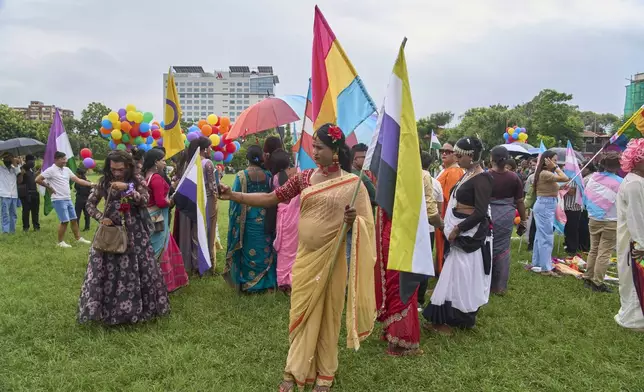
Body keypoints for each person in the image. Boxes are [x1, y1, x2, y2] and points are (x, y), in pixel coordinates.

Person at [219, 123, 376, 392]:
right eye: (313, 146)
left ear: (335, 150)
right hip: (304, 259)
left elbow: (366, 223)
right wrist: (234, 195)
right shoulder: (304, 179)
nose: (314, 151)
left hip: (331, 261)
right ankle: (295, 370)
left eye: (320, 147)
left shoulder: (352, 184)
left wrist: (353, 220)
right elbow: (271, 197)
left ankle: (324, 375)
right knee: (300, 314)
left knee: (327, 316)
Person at [78, 150, 170, 325]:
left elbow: (144, 200)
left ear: (128, 166)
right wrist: (100, 218)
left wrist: (128, 189)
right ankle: (107, 310)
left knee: (139, 269)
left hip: (135, 232)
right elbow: (89, 204)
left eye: (120, 169)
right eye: (113, 169)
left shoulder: (138, 180)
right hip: (111, 232)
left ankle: (139, 309)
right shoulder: (104, 182)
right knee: (108, 271)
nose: (117, 173)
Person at [375, 150, 443, 356]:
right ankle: (401, 341)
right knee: (406, 284)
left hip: (388, 232)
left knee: (393, 283)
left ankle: (391, 331)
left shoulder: (389, 173)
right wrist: (443, 227)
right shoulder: (420, 175)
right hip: (408, 233)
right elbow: (431, 212)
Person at [422, 137, 493, 335]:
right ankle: (449, 317)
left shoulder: (482, 178)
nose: (457, 158)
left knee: (460, 276)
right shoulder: (467, 174)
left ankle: (452, 319)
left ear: (471, 157)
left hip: (467, 236)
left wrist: (458, 229)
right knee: (454, 275)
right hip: (458, 231)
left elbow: (480, 212)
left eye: (460, 155)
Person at [223, 145, 277, 293]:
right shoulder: (268, 175)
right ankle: (266, 283)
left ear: (247, 158)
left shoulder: (241, 176)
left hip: (248, 219)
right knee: (265, 248)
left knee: (248, 249)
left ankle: (248, 284)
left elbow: (235, 199)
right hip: (266, 219)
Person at [143, 148, 188, 292]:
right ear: (156, 162)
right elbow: (160, 202)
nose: (164, 162)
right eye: (163, 160)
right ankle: (159, 282)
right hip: (157, 215)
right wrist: (171, 200)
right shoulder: (155, 178)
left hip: (152, 214)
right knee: (159, 246)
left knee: (161, 243)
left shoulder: (148, 175)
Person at [489, 146, 527, 295]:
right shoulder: (514, 177)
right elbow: (520, 201)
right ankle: (499, 287)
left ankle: (484, 283)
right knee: (503, 250)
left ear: (491, 158)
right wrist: (523, 220)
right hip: (506, 216)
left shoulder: (486, 176)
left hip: (488, 214)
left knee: (486, 247)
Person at [581, 153, 622, 293]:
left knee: (594, 249)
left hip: (593, 219)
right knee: (604, 253)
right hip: (611, 221)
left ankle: (588, 276)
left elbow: (586, 197)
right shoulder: (620, 182)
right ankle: (597, 282)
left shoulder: (593, 179)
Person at [615, 139, 644, 330]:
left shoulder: (635, 181)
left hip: (633, 240)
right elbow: (637, 217)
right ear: (636, 160)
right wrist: (642, 245)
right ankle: (633, 321)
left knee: (630, 281)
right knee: (635, 281)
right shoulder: (635, 184)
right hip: (635, 243)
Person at [36, 152, 93, 248]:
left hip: (68, 198)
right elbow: (37, 179)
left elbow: (78, 180)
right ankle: (60, 242)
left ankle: (78, 238)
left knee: (74, 219)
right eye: (63, 159)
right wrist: (49, 187)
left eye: (65, 159)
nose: (65, 161)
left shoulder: (66, 170)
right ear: (56, 159)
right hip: (58, 199)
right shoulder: (50, 170)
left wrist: (91, 184)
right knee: (65, 221)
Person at [173, 137, 213, 274]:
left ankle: (186, 262)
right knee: (200, 232)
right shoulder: (207, 163)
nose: (211, 150)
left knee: (186, 232)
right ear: (205, 149)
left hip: (186, 199)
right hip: (202, 201)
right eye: (210, 147)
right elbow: (213, 187)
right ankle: (199, 264)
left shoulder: (186, 162)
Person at [531, 151, 569, 276]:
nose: (556, 163)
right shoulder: (545, 173)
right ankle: (545, 268)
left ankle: (537, 263)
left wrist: (558, 187)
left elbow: (558, 184)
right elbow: (564, 178)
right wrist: (556, 168)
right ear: (547, 161)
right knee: (546, 237)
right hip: (544, 205)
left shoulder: (545, 174)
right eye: (554, 160)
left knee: (540, 236)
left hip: (546, 204)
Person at [269, 149, 300, 294]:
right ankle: (297, 279)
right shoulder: (298, 171)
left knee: (284, 249)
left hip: (282, 216)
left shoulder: (275, 178)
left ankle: (285, 283)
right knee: (296, 248)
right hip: (297, 214)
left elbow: (275, 197)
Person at [417, 150, 444, 307]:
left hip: (412, 228)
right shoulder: (436, 183)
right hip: (429, 229)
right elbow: (438, 209)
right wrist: (440, 224)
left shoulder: (409, 177)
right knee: (424, 264)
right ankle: (420, 299)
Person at [434, 142, 465, 275]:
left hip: (445, 217)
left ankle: (443, 275)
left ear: (456, 155)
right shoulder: (446, 170)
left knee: (444, 247)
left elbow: (450, 199)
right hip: (439, 216)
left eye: (448, 151)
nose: (444, 153)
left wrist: (444, 221)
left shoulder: (454, 172)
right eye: (442, 151)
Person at [17, 154, 40, 232]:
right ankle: (25, 228)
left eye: (33, 160)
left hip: (34, 193)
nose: (33, 162)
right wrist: (22, 174)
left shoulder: (31, 169)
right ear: (26, 161)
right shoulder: (21, 169)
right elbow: (19, 181)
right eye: (31, 160)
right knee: (26, 212)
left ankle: (36, 227)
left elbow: (32, 177)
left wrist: (38, 172)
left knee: (35, 212)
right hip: (26, 194)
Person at [0, 153, 21, 234]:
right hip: (4, 194)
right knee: (5, 213)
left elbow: (19, 175)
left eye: (9, 158)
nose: (8, 160)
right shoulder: (1, 169)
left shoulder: (14, 169)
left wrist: (14, 161)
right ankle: (5, 231)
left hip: (14, 195)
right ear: (3, 160)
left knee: (13, 214)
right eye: (6, 158)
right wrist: (2, 156)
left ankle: (12, 231)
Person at [74, 167, 92, 231]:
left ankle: (76, 228)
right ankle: (87, 227)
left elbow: (76, 189)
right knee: (87, 214)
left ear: (79, 174)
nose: (75, 175)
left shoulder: (78, 182)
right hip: (87, 199)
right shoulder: (88, 182)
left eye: (76, 174)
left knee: (77, 214)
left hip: (79, 199)